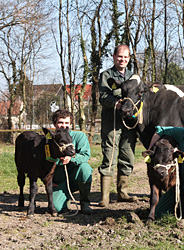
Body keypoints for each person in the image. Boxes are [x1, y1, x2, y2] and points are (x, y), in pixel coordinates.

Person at [98, 44, 137, 207]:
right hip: (111, 121)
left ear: (129, 59)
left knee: (128, 156)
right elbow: (103, 96)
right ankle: (105, 197)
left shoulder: (133, 76)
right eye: (120, 56)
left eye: (126, 57)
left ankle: (122, 192)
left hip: (129, 123)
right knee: (110, 156)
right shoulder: (106, 75)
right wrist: (116, 104)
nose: (123, 59)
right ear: (114, 57)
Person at [52, 109, 93, 214]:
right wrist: (48, 181)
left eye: (66, 123)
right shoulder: (49, 140)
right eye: (60, 122)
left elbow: (85, 155)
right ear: (54, 124)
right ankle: (65, 200)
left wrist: (72, 158)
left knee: (85, 168)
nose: (63, 126)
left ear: (70, 125)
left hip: (75, 176)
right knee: (56, 208)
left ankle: (85, 203)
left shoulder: (79, 136)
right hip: (58, 180)